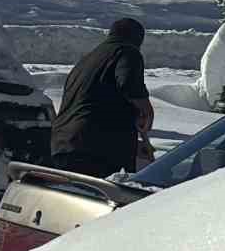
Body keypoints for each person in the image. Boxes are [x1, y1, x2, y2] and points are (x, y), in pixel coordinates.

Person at [49, 17, 154, 179]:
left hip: (64, 144)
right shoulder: (126, 51)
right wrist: (145, 108)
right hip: (95, 149)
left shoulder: (88, 60)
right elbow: (129, 83)